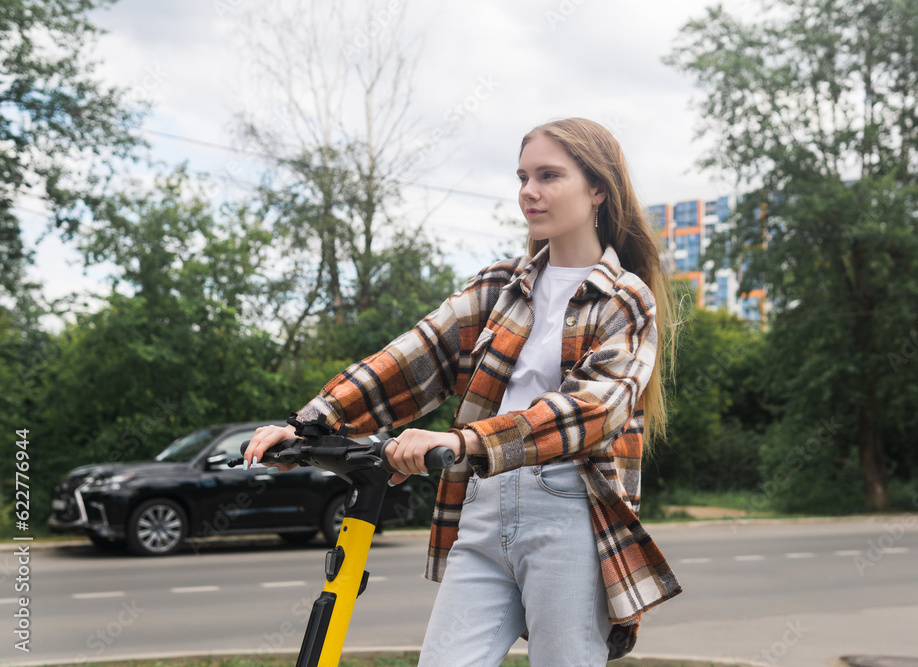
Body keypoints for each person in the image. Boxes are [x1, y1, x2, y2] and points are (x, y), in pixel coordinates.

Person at [243, 117, 682, 665]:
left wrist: (462, 442)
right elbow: (412, 357)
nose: (529, 191)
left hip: (568, 511)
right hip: (482, 502)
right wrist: (310, 423)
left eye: (548, 176)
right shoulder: (500, 286)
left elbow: (594, 411)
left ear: (598, 189)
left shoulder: (625, 299)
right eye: (522, 177)